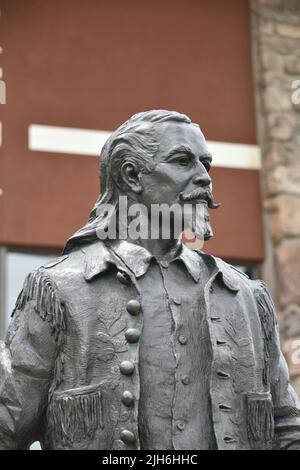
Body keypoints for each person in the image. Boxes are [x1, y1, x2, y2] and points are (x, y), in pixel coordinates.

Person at [0, 110, 299, 450]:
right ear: (132, 176)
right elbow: (6, 428)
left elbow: (287, 428)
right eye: (183, 161)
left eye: (206, 164)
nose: (204, 178)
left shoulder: (245, 297)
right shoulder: (59, 291)